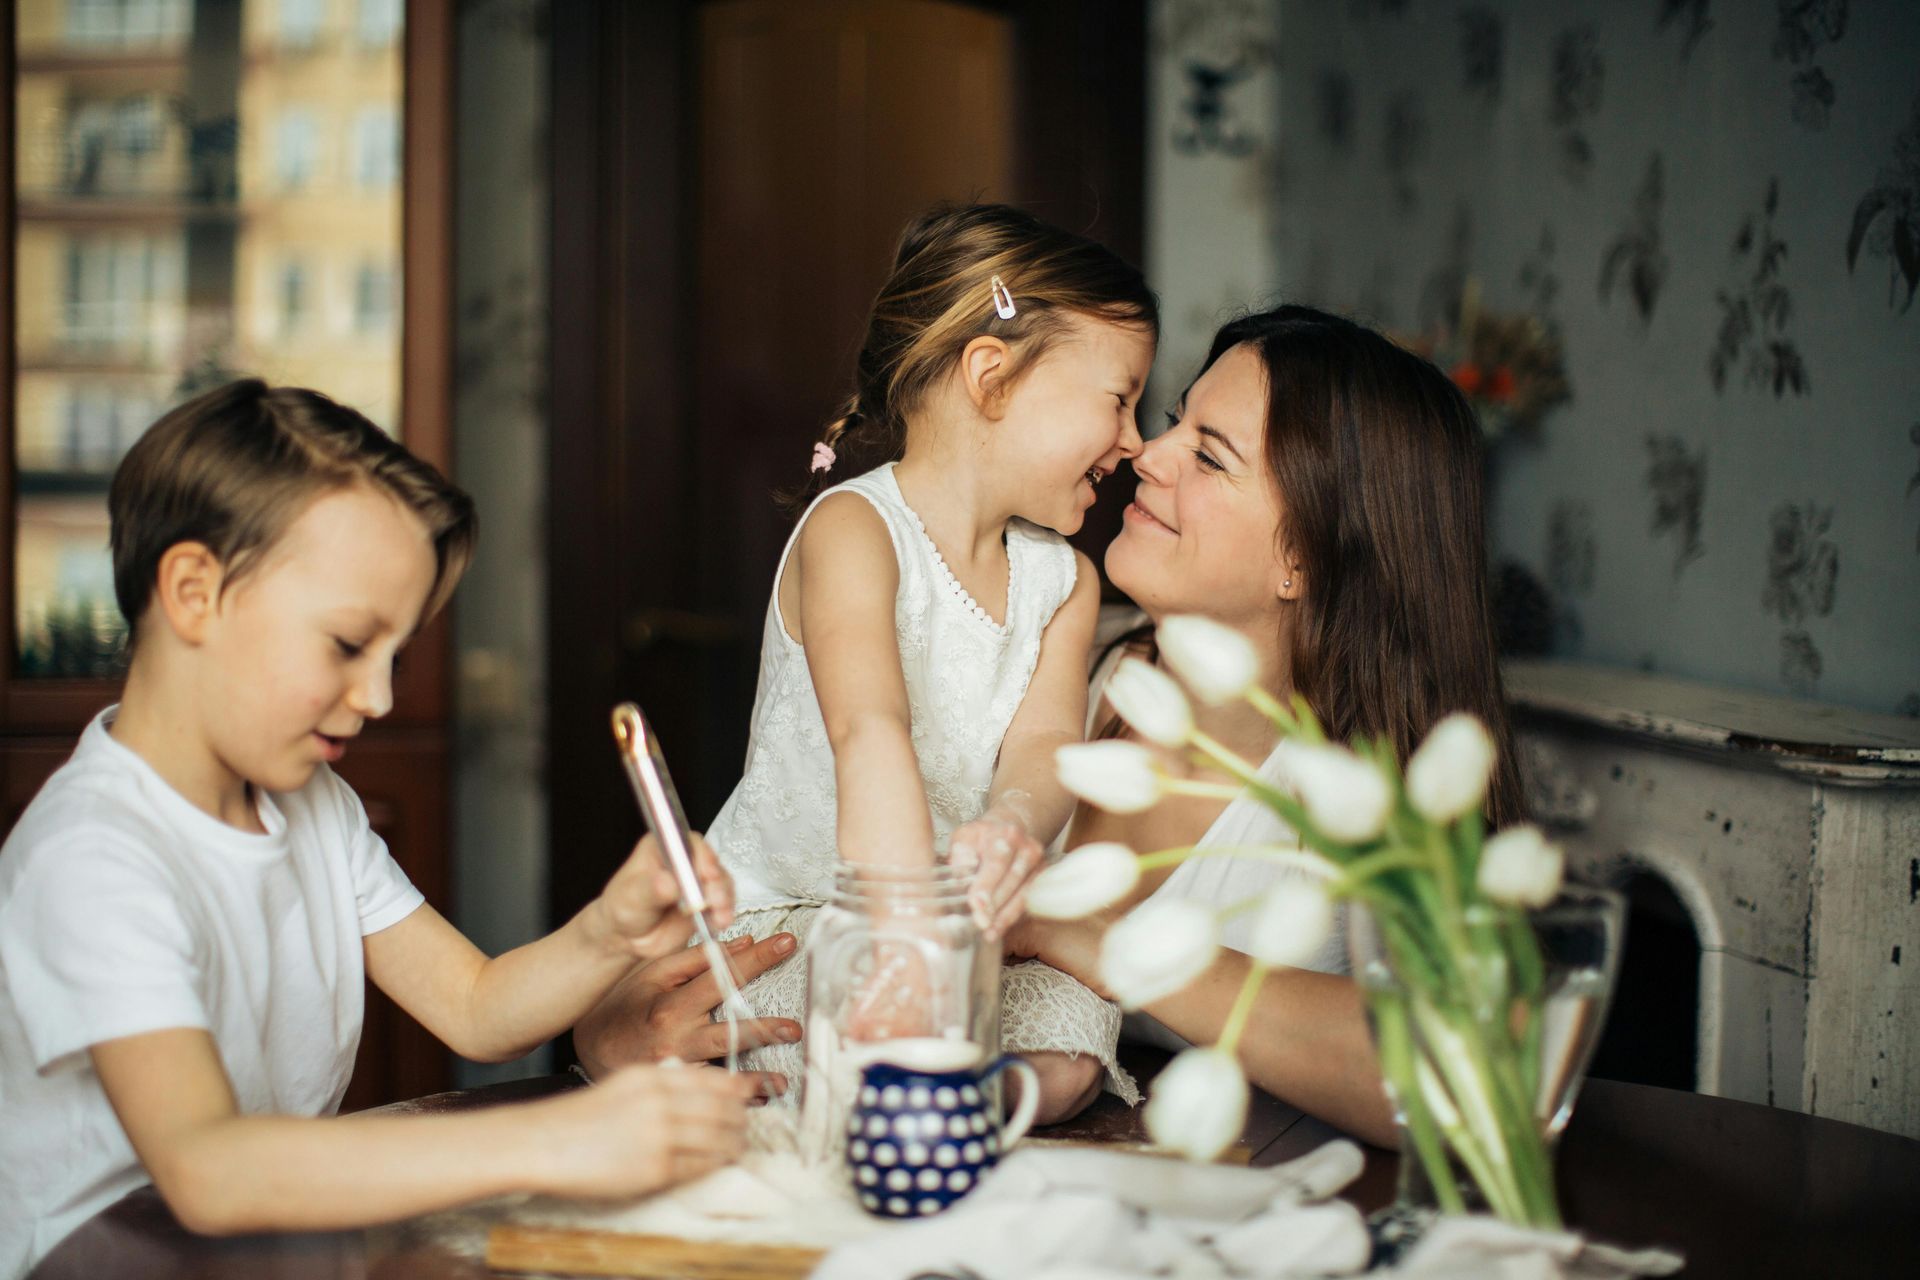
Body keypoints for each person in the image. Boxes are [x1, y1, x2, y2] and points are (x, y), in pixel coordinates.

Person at [0, 381, 757, 1278]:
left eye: (394, 656)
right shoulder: (94, 856)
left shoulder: (311, 804)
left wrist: (606, 931)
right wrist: (556, 1138)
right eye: (348, 644)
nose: (381, 697)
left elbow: (475, 1008)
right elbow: (207, 1169)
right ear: (195, 592)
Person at [582, 204, 1159, 1123]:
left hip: (966, 934)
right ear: (993, 376)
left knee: (1073, 1037)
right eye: (1119, 398)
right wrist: (902, 942)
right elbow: (869, 731)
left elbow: (1048, 743)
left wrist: (1015, 823)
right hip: (812, 916)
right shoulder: (855, 530)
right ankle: (899, 1087)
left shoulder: (1065, 581)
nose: (1134, 441)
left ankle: (935, 1098)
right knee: (828, 1016)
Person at [1007, 304, 1526, 1146]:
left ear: (1304, 559)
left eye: (1209, 454)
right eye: (1178, 420)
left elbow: (1469, 1077)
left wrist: (1113, 944)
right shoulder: (1054, 660)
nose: (1148, 450)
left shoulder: (1373, 796)